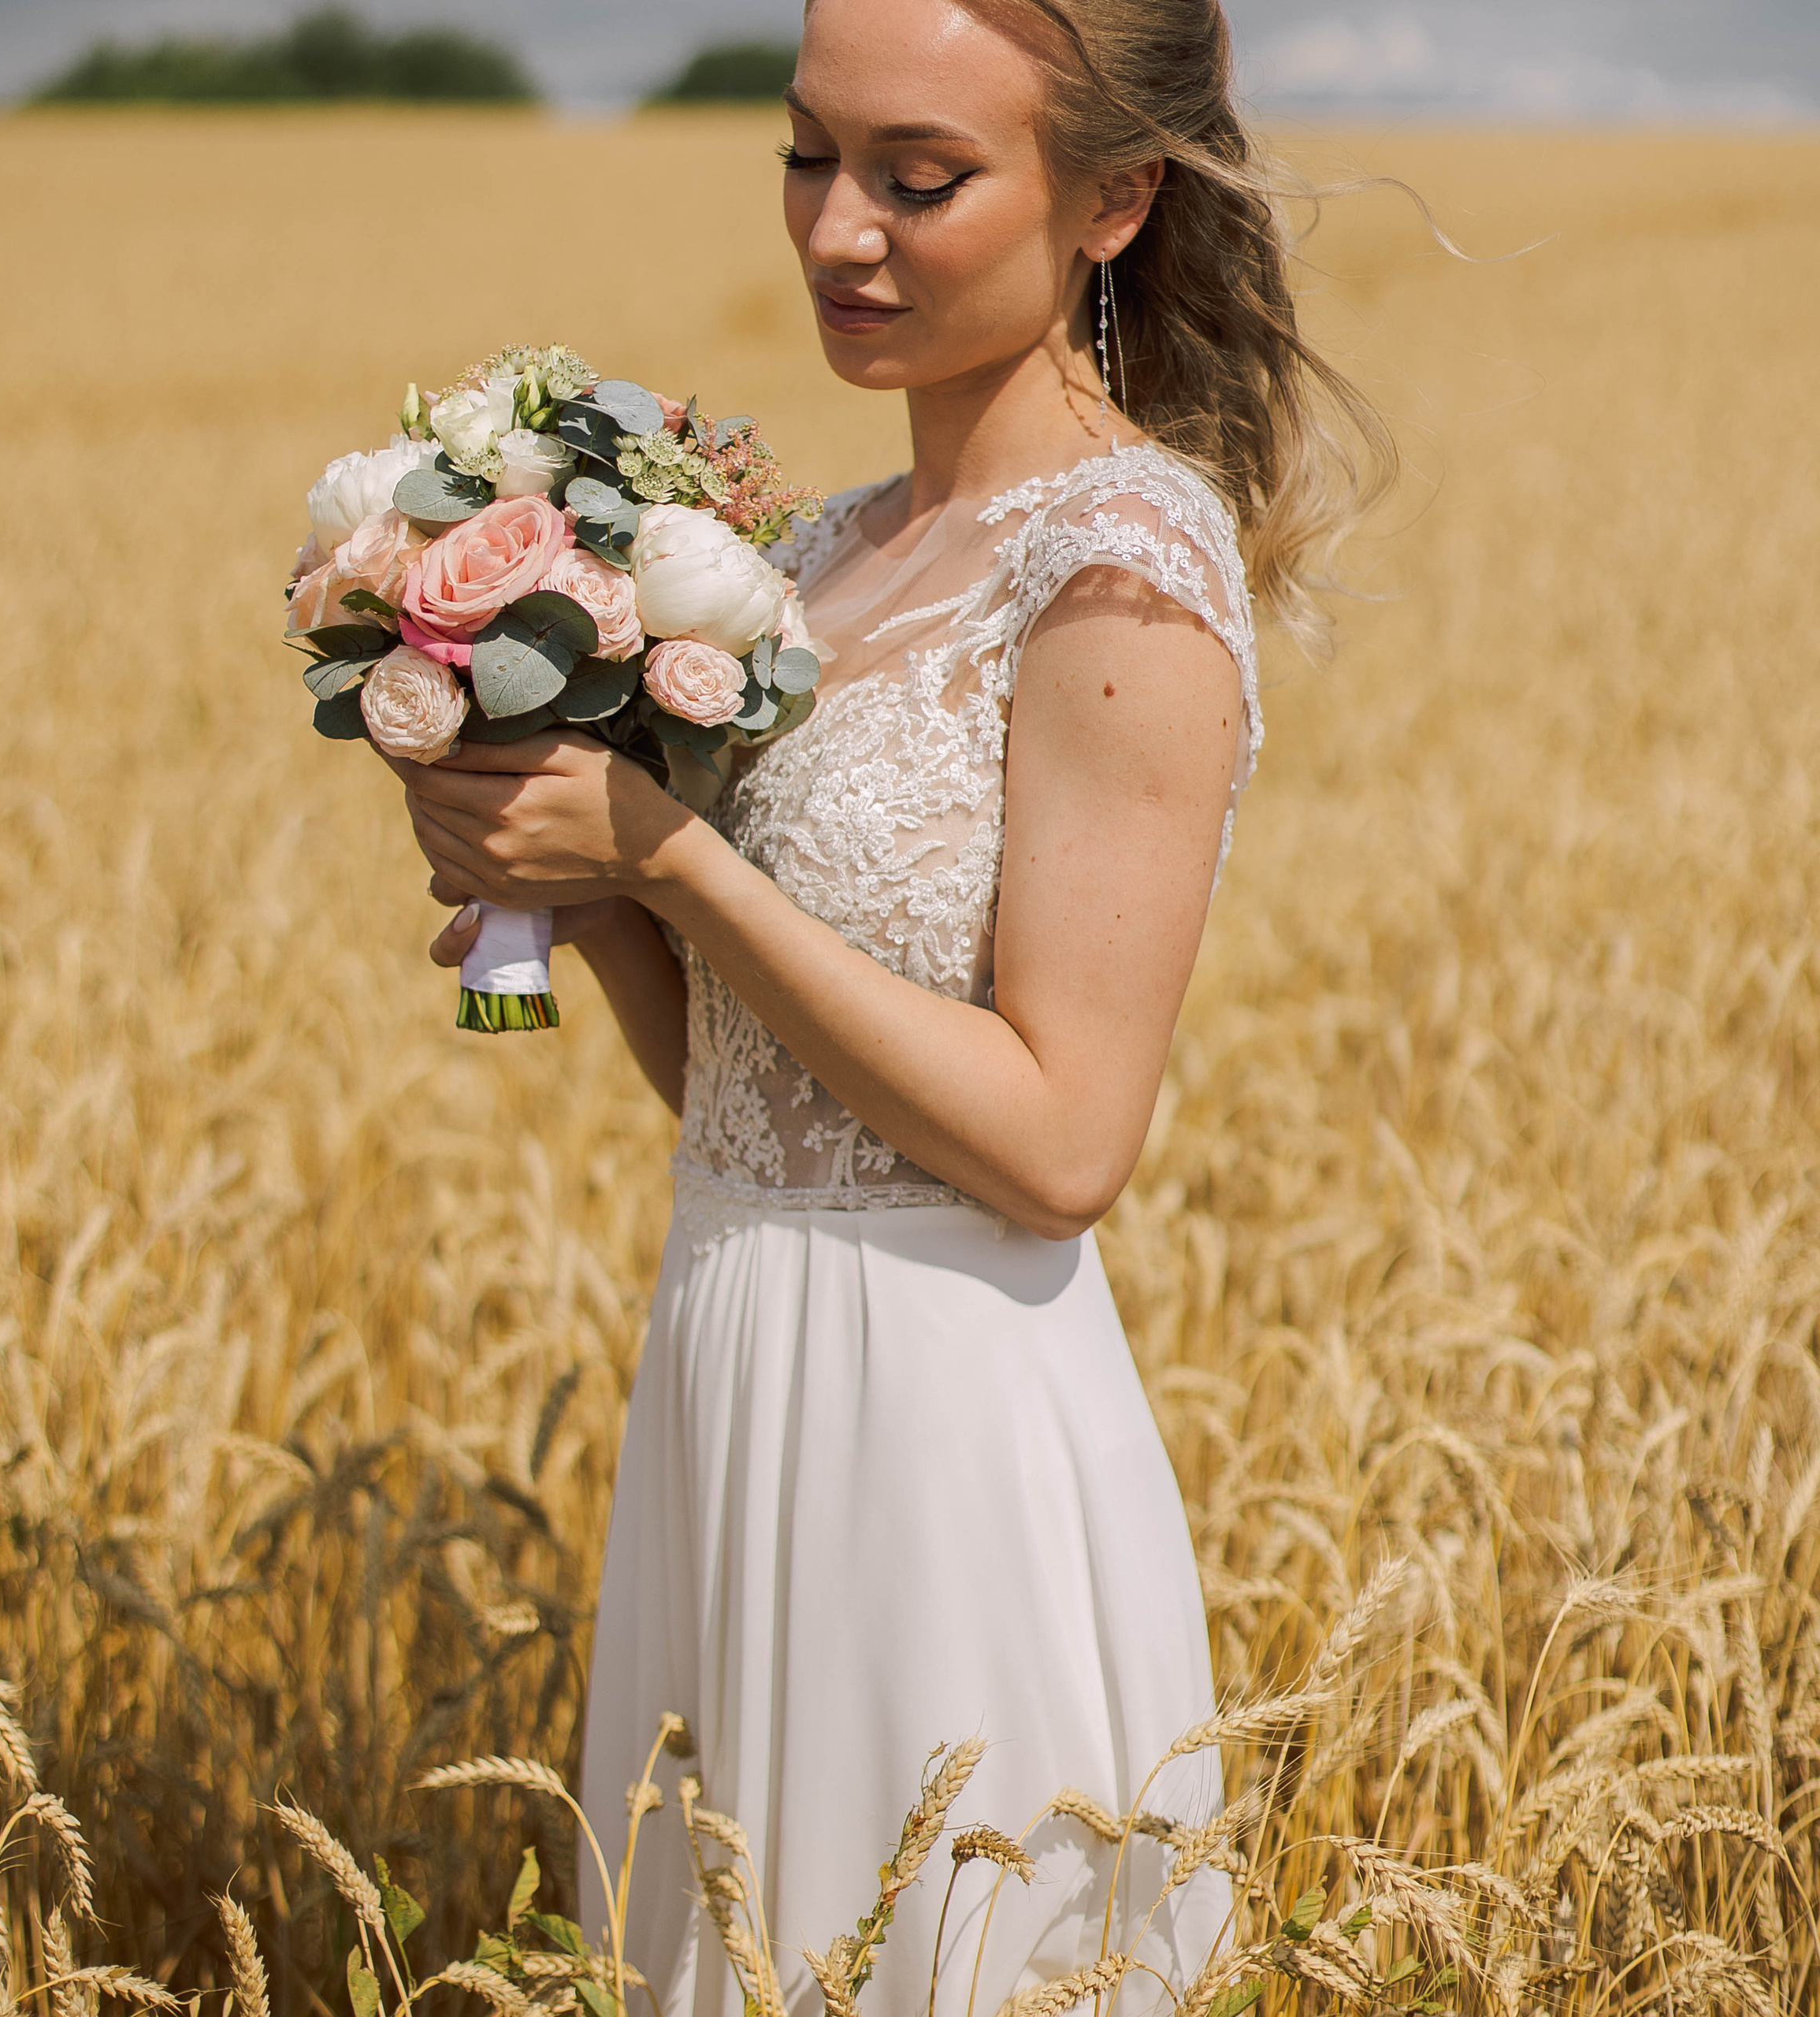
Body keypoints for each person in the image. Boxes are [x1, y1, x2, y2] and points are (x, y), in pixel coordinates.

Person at [383, 1, 1389, 2010]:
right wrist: (577, 900)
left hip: (939, 1423)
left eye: (917, 178)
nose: (837, 229)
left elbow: (1056, 1143)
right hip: (732, 1349)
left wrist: (668, 862)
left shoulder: (1119, 569)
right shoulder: (817, 559)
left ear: (1111, 198)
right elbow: (751, 1099)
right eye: (804, 155)